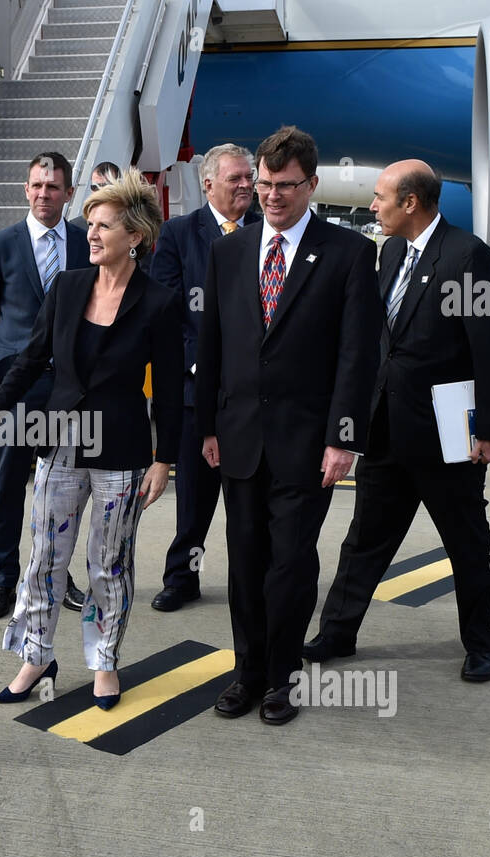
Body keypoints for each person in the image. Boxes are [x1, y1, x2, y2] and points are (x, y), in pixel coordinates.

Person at [0, 169, 182, 709]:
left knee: (109, 564)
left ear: (134, 236)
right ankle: (36, 654)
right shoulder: (66, 287)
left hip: (123, 451)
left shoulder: (157, 301)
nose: (91, 234)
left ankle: (104, 663)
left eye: (104, 226)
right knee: (44, 556)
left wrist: (165, 460)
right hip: (61, 440)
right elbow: (31, 357)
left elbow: (173, 388)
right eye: (89, 223)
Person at [196, 126, 381, 726]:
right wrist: (206, 427)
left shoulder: (350, 254)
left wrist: (343, 438)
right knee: (244, 559)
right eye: (264, 184)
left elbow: (358, 356)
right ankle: (246, 671)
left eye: (284, 186)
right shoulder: (229, 251)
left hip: (309, 444)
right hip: (240, 437)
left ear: (312, 184)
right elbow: (213, 344)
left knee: (290, 564)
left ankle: (281, 677)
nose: (271, 196)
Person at [304, 159, 490, 683]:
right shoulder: (391, 251)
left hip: (448, 439)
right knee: (363, 541)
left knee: (467, 544)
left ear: (410, 203)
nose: (371, 206)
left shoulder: (470, 257)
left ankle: (481, 646)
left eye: (379, 197)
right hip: (387, 431)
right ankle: (338, 633)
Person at [0, 152, 90, 620]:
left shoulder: (85, 244)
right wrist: (17, 361)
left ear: (69, 194)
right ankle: (2, 579)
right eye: (37, 186)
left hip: (68, 390)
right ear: (26, 190)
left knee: (64, 490)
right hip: (17, 390)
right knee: (8, 489)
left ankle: (59, 575)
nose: (44, 194)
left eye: (54, 187)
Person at [149, 143, 260, 611]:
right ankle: (182, 578)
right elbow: (165, 314)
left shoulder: (267, 232)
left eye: (249, 177)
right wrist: (203, 363)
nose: (246, 185)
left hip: (252, 394)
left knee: (250, 502)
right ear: (208, 184)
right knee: (193, 498)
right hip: (197, 393)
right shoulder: (177, 235)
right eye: (235, 178)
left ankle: (252, 581)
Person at [68, 161, 121, 231]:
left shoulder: (129, 222)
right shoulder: (76, 226)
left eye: (105, 187)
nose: (99, 192)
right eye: (95, 187)